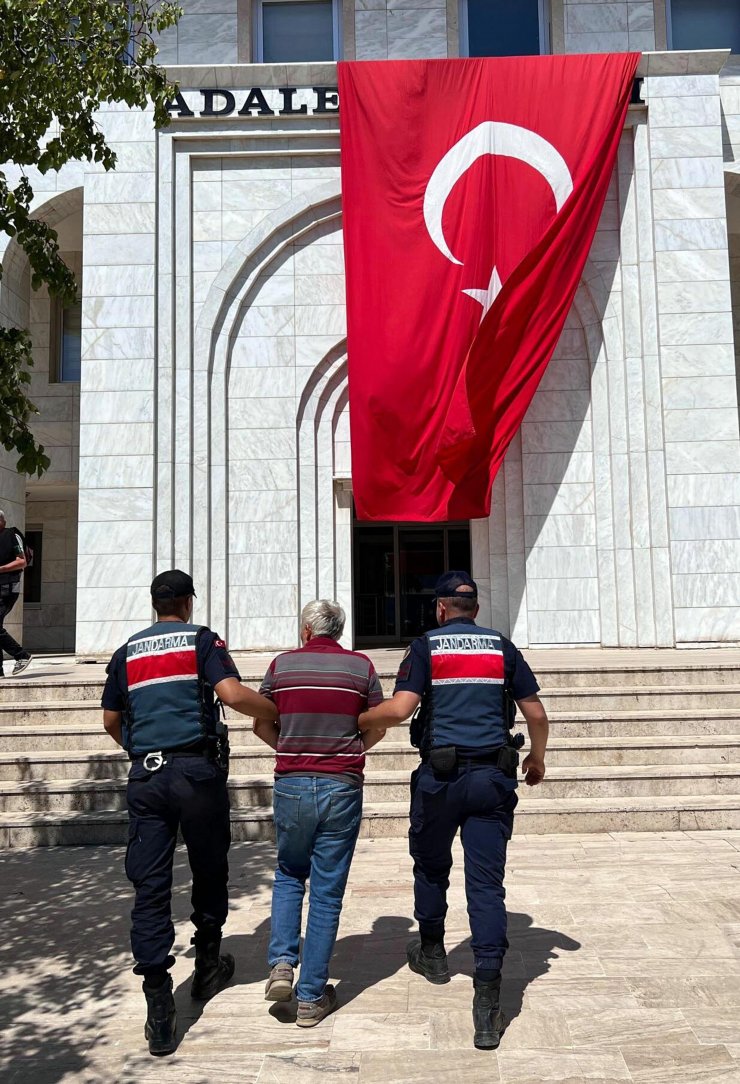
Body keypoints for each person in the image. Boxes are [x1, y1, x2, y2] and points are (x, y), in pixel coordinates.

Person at [358, 571, 549, 1051]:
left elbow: (401, 710)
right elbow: (537, 715)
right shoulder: (502, 648)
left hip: (440, 780)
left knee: (430, 864)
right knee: (486, 885)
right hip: (491, 780)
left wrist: (358, 719)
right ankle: (487, 1002)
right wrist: (538, 758)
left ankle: (433, 952)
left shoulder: (426, 647)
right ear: (476, 609)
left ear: (440, 609)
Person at [101, 569, 278, 1057]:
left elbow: (111, 720)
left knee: (150, 886)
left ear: (155, 604)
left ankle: (159, 1006)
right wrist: (281, 714)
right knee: (208, 868)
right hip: (196, 773)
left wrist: (140, 751)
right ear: (187, 601)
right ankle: (206, 965)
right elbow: (232, 695)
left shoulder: (128, 651)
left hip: (147, 777)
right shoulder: (202, 641)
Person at [253, 599, 385, 1027]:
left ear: (307, 630)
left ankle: (281, 965)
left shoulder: (281, 666)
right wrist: (351, 752)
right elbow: (377, 724)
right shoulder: (361, 668)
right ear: (339, 632)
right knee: (327, 892)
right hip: (341, 786)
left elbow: (260, 722)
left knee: (290, 874)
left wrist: (291, 752)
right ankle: (310, 997)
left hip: (291, 783)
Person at [0, 511, 32, 677]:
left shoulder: (11, 535)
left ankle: (21, 655)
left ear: (2, 521)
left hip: (7, 588)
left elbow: (22, 562)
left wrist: (1, 569)